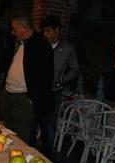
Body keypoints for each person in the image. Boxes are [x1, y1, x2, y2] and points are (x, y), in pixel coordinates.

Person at [0, 12, 54, 156]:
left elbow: (45, 76)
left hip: (23, 97)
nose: (13, 32)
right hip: (9, 93)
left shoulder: (41, 45)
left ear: (23, 28)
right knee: (5, 133)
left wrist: (32, 97)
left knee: (20, 138)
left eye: (14, 28)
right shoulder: (20, 44)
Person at [41, 15, 80, 152]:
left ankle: (46, 156)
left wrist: (62, 79)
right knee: (33, 124)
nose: (45, 34)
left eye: (48, 31)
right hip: (38, 90)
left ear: (57, 30)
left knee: (50, 125)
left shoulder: (68, 48)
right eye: (44, 31)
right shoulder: (41, 45)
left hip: (54, 92)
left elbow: (75, 69)